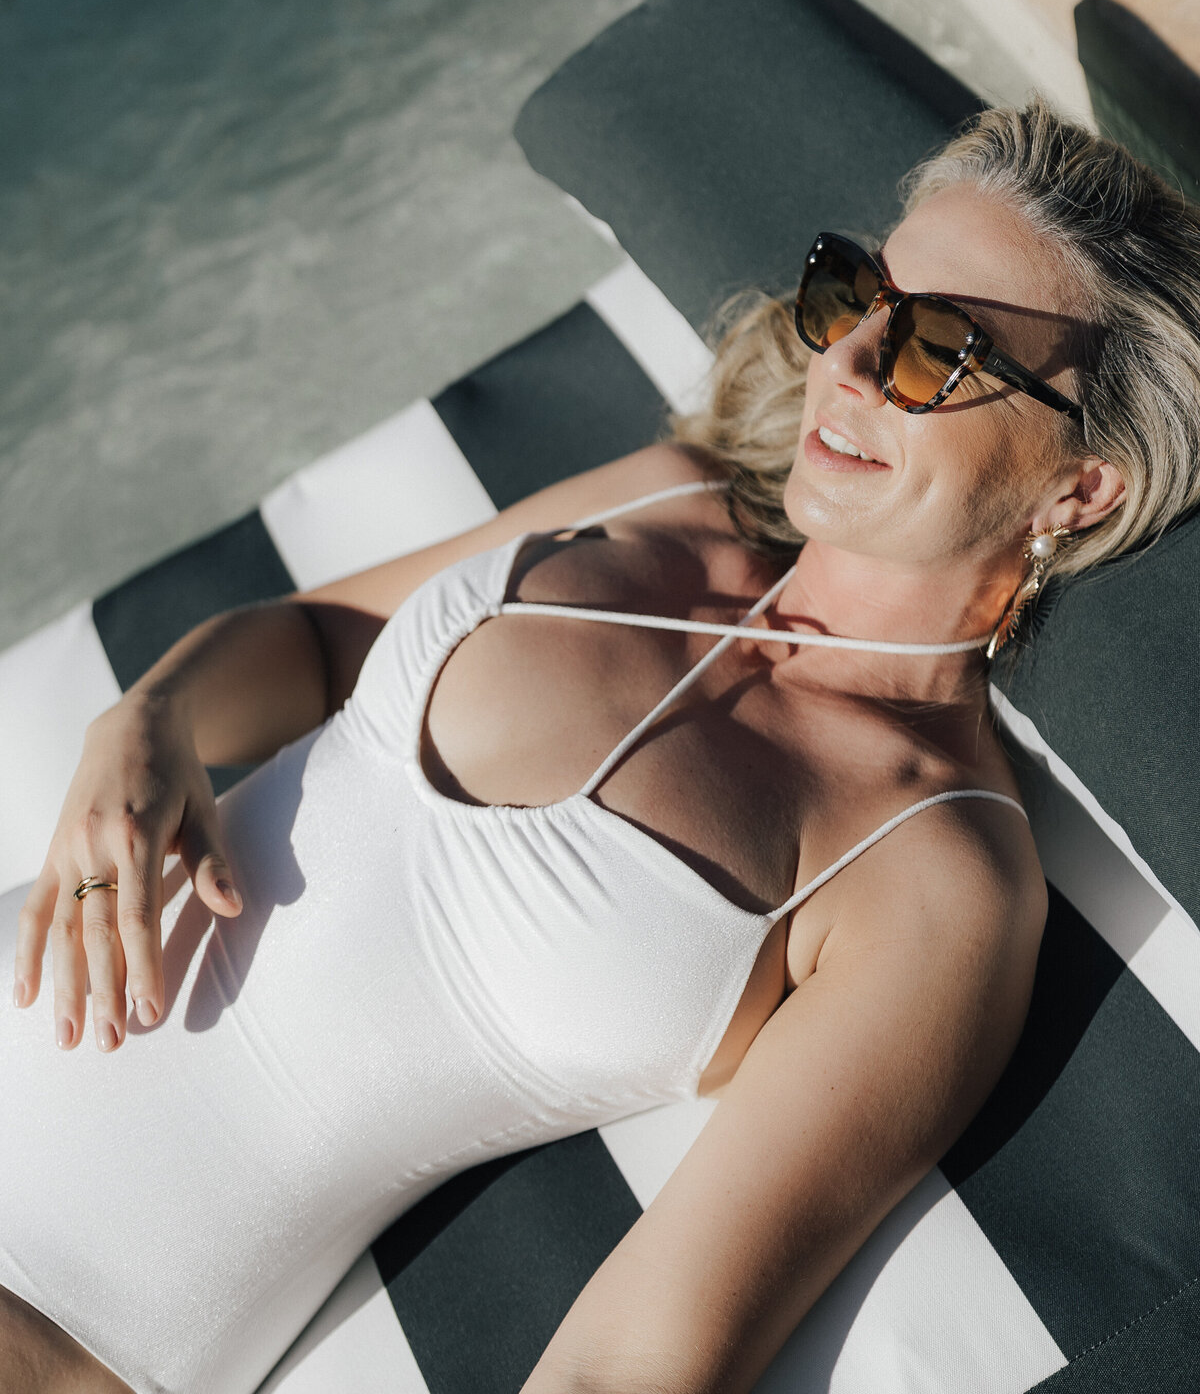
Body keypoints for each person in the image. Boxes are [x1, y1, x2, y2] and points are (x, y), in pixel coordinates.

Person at [4, 100, 1200, 1394]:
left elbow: (635, 1362)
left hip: (72, 1308)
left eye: (939, 350)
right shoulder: (658, 503)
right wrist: (148, 717)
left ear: (1081, 487)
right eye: (857, 295)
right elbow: (307, 643)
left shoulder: (930, 877)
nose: (848, 363)